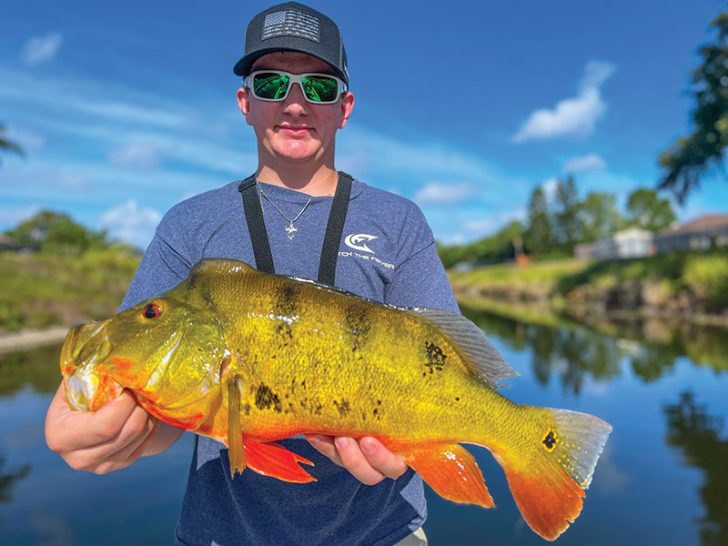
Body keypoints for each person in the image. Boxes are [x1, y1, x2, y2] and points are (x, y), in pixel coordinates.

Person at [45, 2, 459, 544]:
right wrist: (124, 431)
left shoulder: (398, 221)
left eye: (317, 87)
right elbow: (167, 402)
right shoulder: (189, 224)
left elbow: (446, 362)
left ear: (345, 106)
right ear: (244, 102)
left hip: (384, 531)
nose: (293, 103)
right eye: (270, 83)